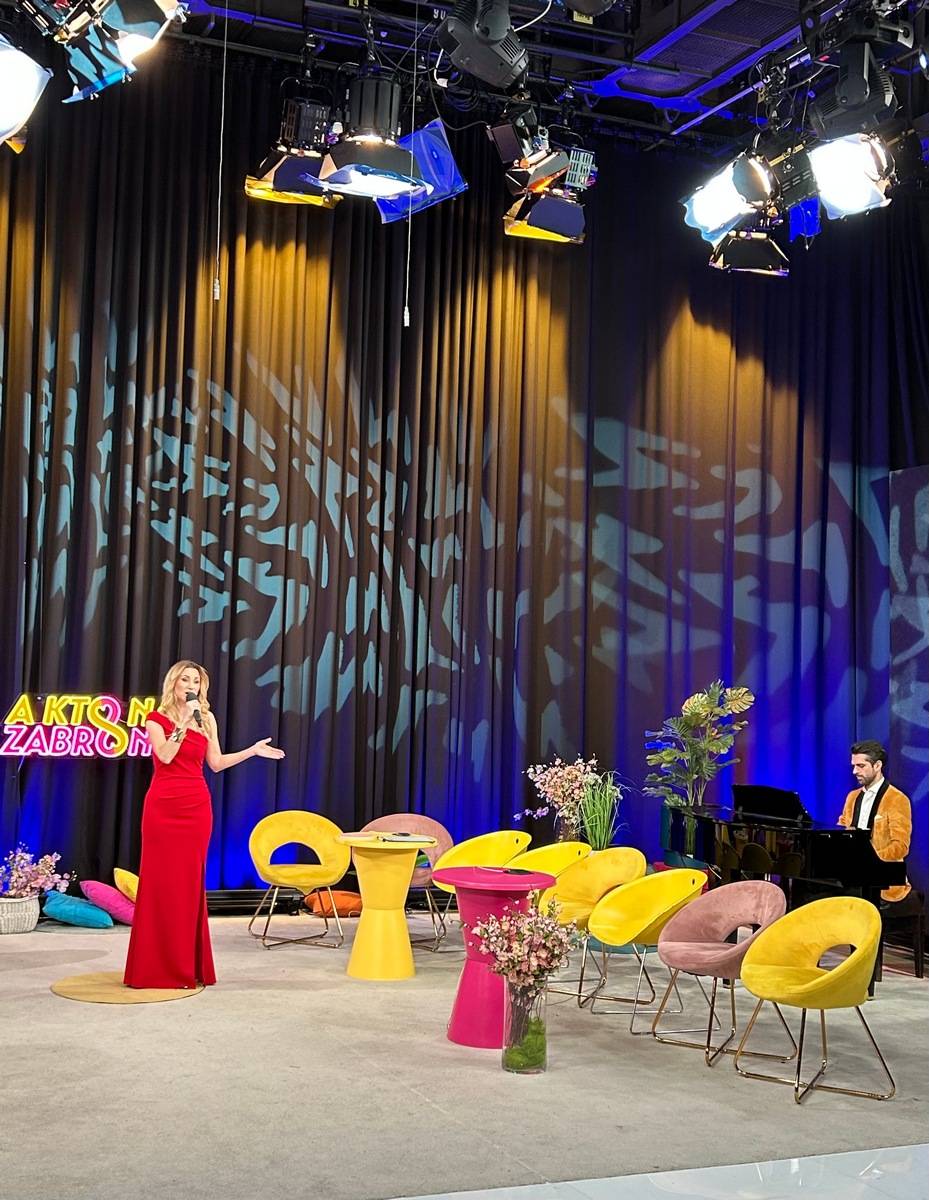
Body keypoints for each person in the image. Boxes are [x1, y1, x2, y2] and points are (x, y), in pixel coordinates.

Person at [124, 660, 285, 989]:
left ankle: (186, 966)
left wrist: (252, 752)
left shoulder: (207, 719)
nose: (191, 686)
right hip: (162, 807)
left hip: (196, 808)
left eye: (196, 681)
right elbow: (165, 756)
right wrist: (183, 723)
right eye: (185, 680)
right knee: (159, 883)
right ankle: (152, 967)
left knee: (188, 883)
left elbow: (216, 763)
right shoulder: (155, 719)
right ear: (173, 683)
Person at [837, 740, 912, 905]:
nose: (855, 771)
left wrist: (869, 860)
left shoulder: (897, 799)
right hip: (852, 876)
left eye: (861, 766)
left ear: (877, 765)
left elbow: (901, 846)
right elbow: (841, 831)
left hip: (884, 881)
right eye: (853, 766)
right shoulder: (852, 797)